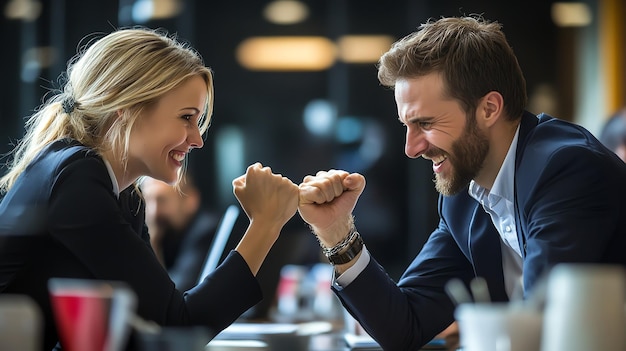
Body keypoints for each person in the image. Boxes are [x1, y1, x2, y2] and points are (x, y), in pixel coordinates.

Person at [297, 16, 626, 350]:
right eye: (406, 126)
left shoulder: (568, 169)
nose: (411, 149)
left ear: (489, 108)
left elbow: (545, 327)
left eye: (425, 123)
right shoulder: (465, 196)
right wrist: (337, 232)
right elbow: (404, 327)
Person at [0, 27, 299, 351]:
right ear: (125, 105)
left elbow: (143, 327)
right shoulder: (77, 179)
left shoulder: (122, 193)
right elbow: (177, 325)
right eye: (186, 117)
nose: (197, 139)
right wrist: (266, 225)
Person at [139, 175, 220, 292]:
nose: (153, 213)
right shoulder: (167, 234)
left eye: (161, 200)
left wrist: (153, 245)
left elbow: (177, 293)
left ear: (190, 200)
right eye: (148, 200)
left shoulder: (206, 231)